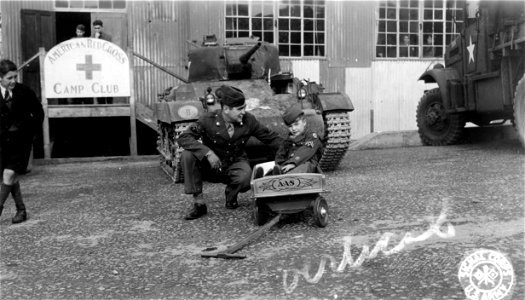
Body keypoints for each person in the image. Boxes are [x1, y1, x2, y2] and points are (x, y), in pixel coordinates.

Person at [178, 85, 283, 220]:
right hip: (211, 165)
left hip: (235, 162)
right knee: (188, 155)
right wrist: (208, 153)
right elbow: (184, 138)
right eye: (240, 109)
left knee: (245, 178)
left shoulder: (249, 120)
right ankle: (199, 204)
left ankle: (231, 195)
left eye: (244, 107)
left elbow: (271, 137)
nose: (244, 112)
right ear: (226, 109)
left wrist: (294, 147)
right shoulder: (207, 120)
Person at [0, 59, 44, 224]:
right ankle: (21, 210)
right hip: (3, 143)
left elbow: (39, 113)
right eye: (9, 78)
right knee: (11, 177)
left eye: (15, 77)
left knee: (9, 173)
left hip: (21, 141)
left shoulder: (24, 91)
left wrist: (31, 134)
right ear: (0, 78)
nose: (13, 81)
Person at [257, 104, 323, 177]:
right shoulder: (288, 140)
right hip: (289, 165)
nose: (293, 129)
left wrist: (293, 163)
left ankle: (278, 177)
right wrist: (279, 164)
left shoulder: (312, 136)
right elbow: (281, 153)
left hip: (307, 165)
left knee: (304, 167)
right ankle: (264, 177)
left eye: (296, 124)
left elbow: (306, 150)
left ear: (304, 122)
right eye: (290, 126)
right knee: (279, 170)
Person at [91, 20, 113, 104]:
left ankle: (110, 104)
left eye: (98, 28)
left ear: (102, 27)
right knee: (98, 85)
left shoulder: (108, 37)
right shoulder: (91, 37)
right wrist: (95, 39)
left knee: (107, 85)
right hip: (96, 65)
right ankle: (101, 104)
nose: (97, 29)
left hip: (105, 64)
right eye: (95, 28)